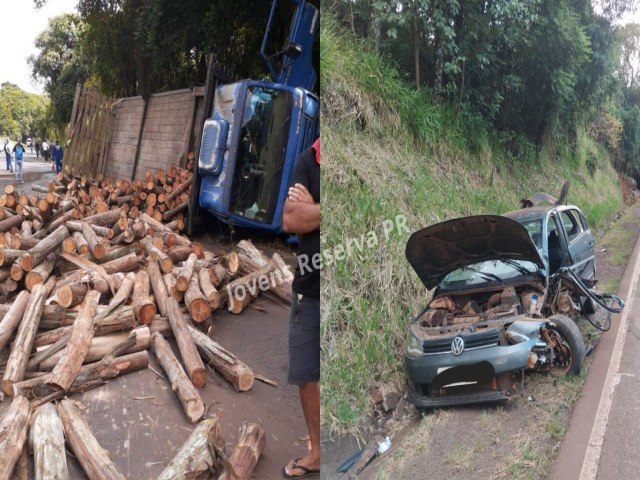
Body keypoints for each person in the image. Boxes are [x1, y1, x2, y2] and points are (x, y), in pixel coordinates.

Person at [281, 137, 320, 479]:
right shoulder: (308, 161)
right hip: (309, 288)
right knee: (307, 374)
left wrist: (316, 207)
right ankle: (317, 452)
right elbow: (291, 219)